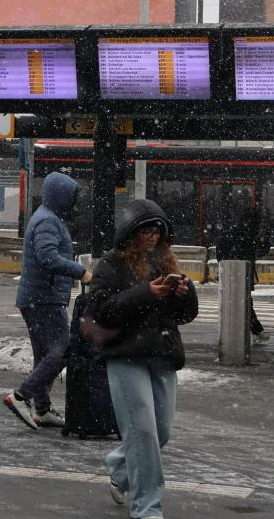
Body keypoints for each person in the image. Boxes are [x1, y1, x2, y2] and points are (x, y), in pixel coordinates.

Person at [88, 199, 198, 519]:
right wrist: (146, 293)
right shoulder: (111, 264)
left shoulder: (165, 262)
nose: (152, 237)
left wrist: (184, 295)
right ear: (130, 233)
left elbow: (185, 315)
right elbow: (100, 311)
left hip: (162, 353)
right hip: (126, 355)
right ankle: (148, 508)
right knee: (143, 432)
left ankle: (120, 469)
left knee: (159, 432)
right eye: (146, 231)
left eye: (157, 232)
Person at [3, 172, 92, 430]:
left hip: (38, 297)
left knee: (43, 355)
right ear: (61, 196)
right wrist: (81, 272)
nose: (75, 203)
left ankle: (42, 409)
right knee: (62, 350)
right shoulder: (48, 221)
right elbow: (48, 257)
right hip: (44, 298)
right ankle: (21, 396)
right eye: (72, 197)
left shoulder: (48, 217)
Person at [215, 207, 271, 344]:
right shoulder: (250, 234)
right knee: (245, 302)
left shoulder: (235, 231)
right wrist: (265, 240)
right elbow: (260, 251)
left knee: (242, 302)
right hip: (243, 272)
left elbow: (220, 249)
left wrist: (225, 264)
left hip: (232, 271)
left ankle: (253, 330)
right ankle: (255, 331)